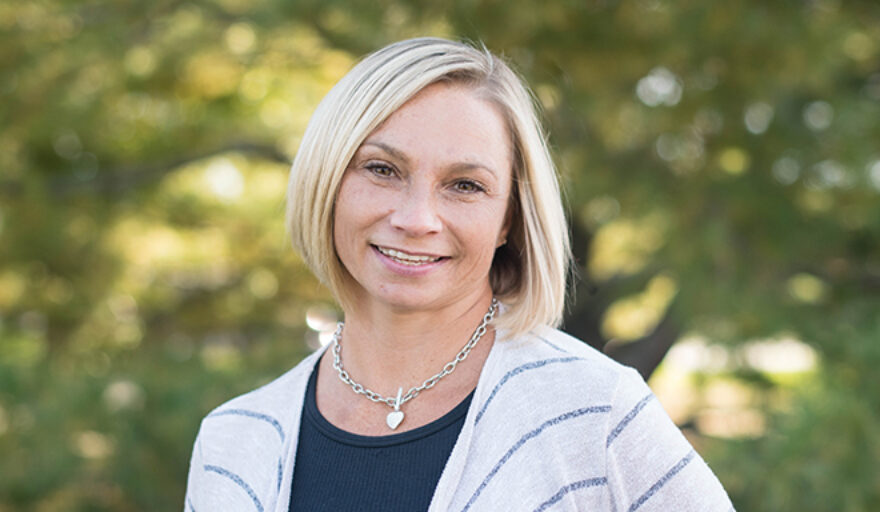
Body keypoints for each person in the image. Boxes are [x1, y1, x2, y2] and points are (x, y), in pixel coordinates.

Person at [184, 37, 734, 511]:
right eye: (382, 170)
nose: (416, 219)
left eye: (465, 185)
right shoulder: (233, 443)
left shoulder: (595, 410)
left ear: (508, 221)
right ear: (327, 183)